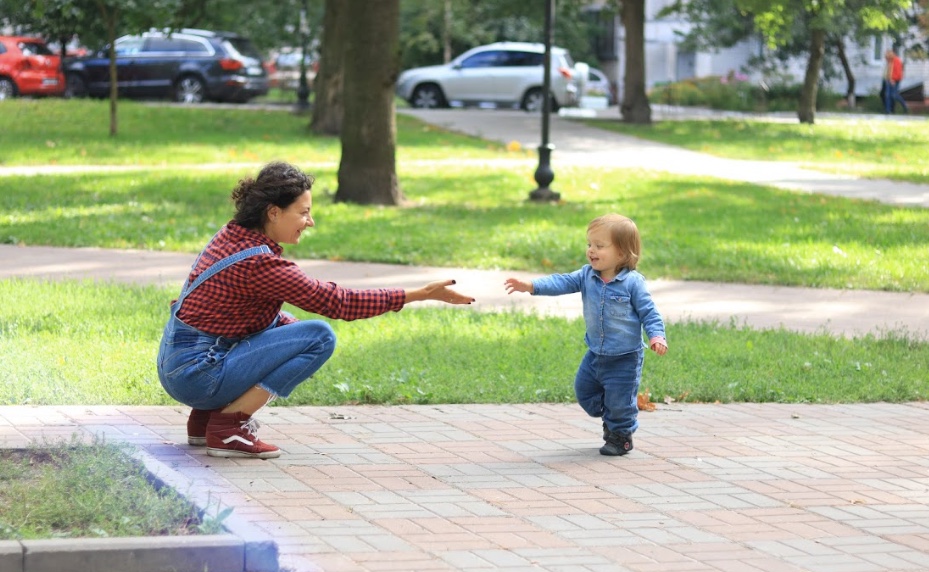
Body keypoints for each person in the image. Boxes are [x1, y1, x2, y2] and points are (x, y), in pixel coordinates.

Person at [157, 161, 475, 459]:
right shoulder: (261, 264)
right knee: (319, 337)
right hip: (200, 376)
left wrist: (287, 332)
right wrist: (419, 294)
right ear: (273, 213)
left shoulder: (232, 236)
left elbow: (239, 315)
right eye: (304, 212)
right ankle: (229, 427)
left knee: (288, 329)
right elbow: (338, 303)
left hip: (179, 366)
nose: (310, 222)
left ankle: (205, 420)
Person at [504, 214, 667, 457]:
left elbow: (649, 312)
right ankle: (611, 416)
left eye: (600, 246)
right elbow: (561, 281)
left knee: (620, 403)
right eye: (589, 244)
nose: (591, 250)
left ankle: (620, 436)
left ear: (622, 254)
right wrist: (531, 286)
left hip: (625, 358)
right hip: (595, 353)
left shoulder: (633, 283)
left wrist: (657, 336)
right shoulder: (586, 275)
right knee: (584, 391)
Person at [883, 49, 908, 115]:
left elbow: (898, 72)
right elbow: (887, 71)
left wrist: (893, 79)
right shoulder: (889, 61)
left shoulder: (897, 61)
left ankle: (905, 106)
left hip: (895, 80)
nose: (886, 58)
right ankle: (888, 111)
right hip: (888, 80)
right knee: (888, 95)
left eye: (887, 56)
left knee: (894, 95)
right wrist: (886, 78)